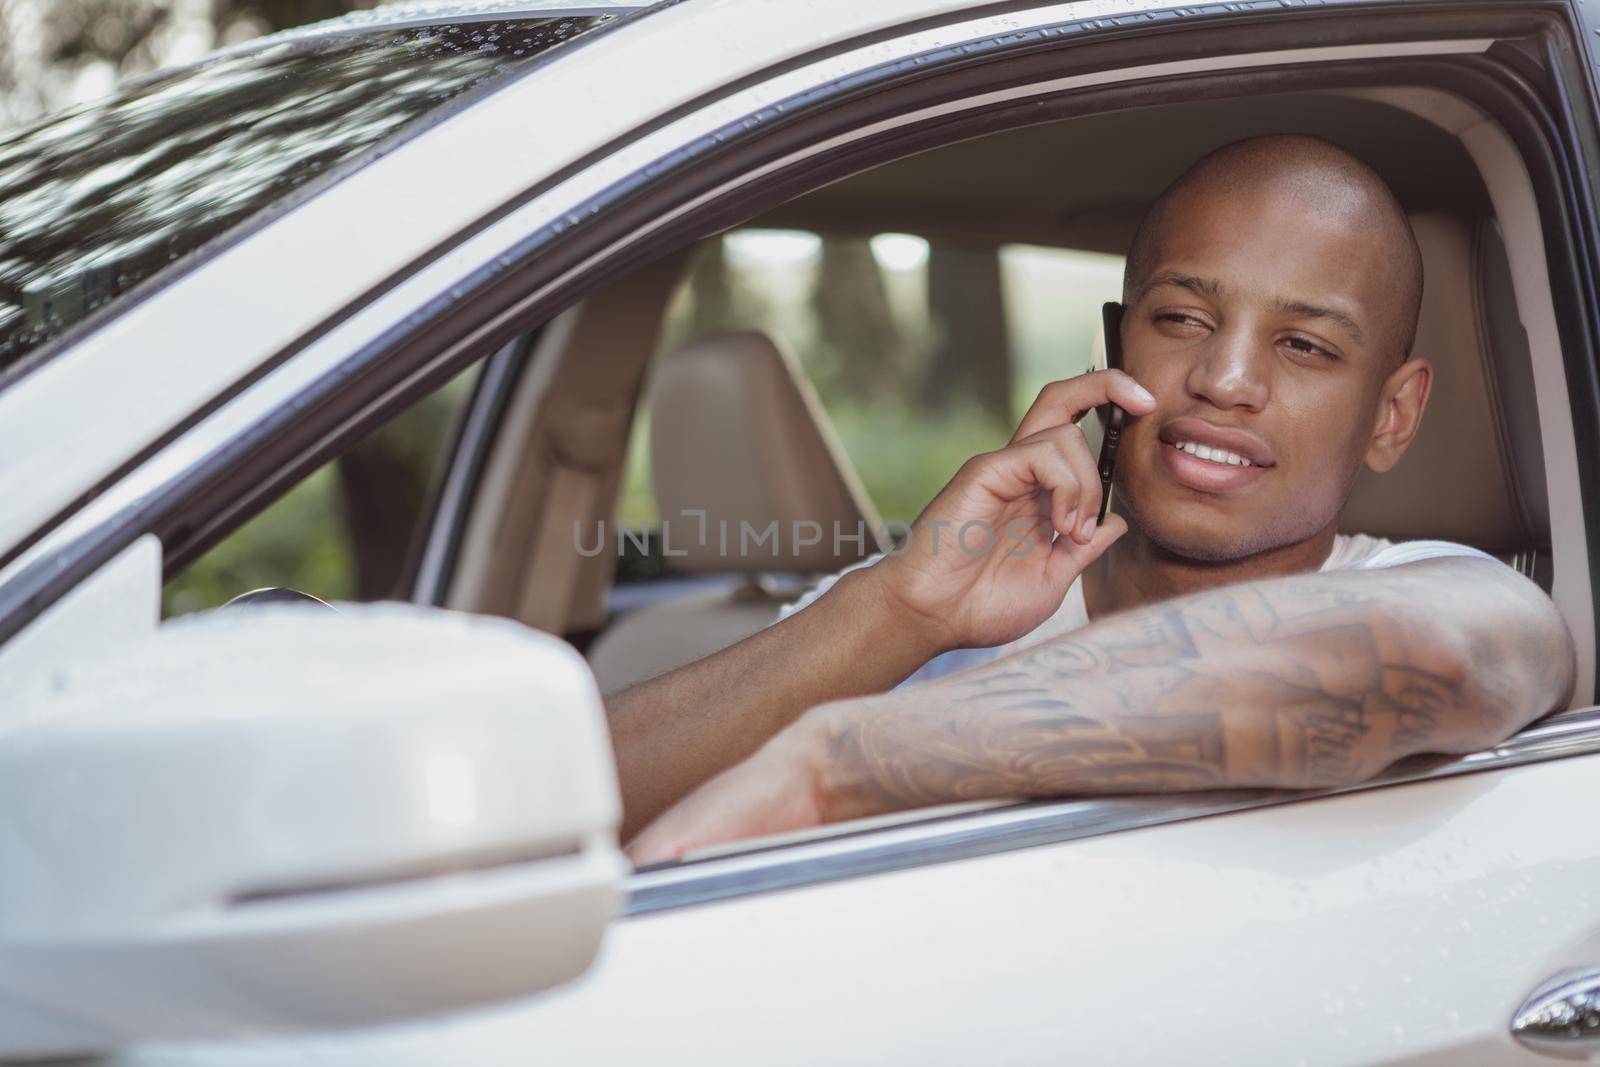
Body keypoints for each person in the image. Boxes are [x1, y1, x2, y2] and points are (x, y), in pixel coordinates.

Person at [611, 133, 1577, 865]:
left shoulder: (1438, 589)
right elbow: (566, 797)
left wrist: (839, 761)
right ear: (1119, 350)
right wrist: (902, 608)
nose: (1227, 378)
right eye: (1183, 318)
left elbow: (1429, 653)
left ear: (1392, 415)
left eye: (1306, 345)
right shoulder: (923, 606)